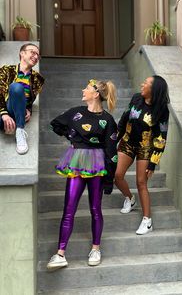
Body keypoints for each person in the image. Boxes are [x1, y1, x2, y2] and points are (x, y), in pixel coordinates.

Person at [47, 79, 117, 270]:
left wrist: (109, 179)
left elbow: (112, 151)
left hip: (97, 163)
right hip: (76, 161)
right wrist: (71, 136)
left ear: (96, 94)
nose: (83, 90)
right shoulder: (75, 112)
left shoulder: (108, 120)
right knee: (69, 208)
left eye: (86, 88)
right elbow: (56, 124)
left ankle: (96, 248)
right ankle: (60, 253)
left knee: (95, 208)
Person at [115, 75, 169, 235]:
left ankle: (147, 220)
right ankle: (130, 199)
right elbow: (124, 120)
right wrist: (114, 141)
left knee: (141, 182)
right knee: (117, 175)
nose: (142, 84)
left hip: (145, 147)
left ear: (154, 89)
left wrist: (153, 163)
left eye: (146, 83)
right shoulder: (136, 98)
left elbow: (161, 138)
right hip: (127, 142)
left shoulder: (162, 109)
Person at [0, 43, 44, 154]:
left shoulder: (38, 79)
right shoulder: (6, 70)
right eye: (32, 52)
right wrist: (4, 113)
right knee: (16, 87)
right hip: (5, 110)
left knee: (17, 88)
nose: (36, 57)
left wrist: (29, 109)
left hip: (18, 115)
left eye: (38, 56)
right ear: (22, 53)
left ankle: (20, 130)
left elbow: (30, 100)